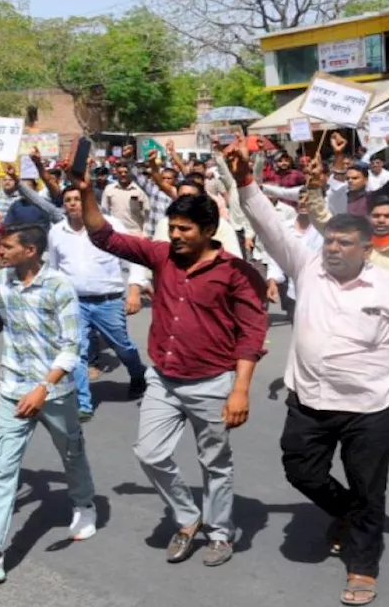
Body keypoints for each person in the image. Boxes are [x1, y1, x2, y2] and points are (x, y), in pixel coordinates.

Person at [232, 139, 389, 606]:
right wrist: (246, 182)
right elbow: (270, 228)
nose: (332, 248)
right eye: (329, 240)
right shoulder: (307, 266)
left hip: (370, 408)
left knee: (369, 487)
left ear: (366, 250)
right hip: (310, 402)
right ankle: (350, 512)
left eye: (343, 242)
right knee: (300, 470)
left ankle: (362, 566)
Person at [84, 168, 267, 567]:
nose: (176, 235)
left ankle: (220, 533)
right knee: (149, 454)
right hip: (163, 381)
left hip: (213, 384)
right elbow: (105, 236)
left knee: (215, 464)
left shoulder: (236, 272)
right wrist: (86, 193)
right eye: (172, 228)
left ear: (208, 229)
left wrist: (240, 389)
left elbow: (253, 334)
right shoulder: (160, 255)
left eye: (185, 229)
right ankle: (188, 517)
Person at [0, 224, 96, 583]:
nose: (0, 251)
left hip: (53, 393)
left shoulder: (59, 286)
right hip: (13, 390)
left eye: (8, 246)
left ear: (31, 250)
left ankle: (85, 505)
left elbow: (71, 346)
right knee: (2, 468)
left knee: (71, 452)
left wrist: (43, 389)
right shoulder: (2, 281)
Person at [306, 181, 389, 478]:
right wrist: (316, 189)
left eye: (387, 216)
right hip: (363, 336)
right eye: (376, 215)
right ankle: (365, 444)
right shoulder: (354, 244)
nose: (381, 220)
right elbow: (321, 218)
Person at [16, 176, 149, 411]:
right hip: (74, 303)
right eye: (68, 200)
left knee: (122, 346)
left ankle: (138, 374)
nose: (73, 204)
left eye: (78, 199)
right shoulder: (57, 232)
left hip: (108, 301)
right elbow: (54, 270)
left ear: (89, 202)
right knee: (76, 352)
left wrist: (134, 291)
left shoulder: (111, 226)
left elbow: (134, 258)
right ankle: (84, 404)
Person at [101, 161, 150, 234]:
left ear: (130, 173)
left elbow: (147, 214)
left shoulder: (139, 191)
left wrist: (145, 233)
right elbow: (105, 212)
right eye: (120, 173)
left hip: (135, 232)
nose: (123, 174)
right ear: (116, 174)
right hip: (116, 232)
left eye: (126, 172)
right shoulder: (109, 189)